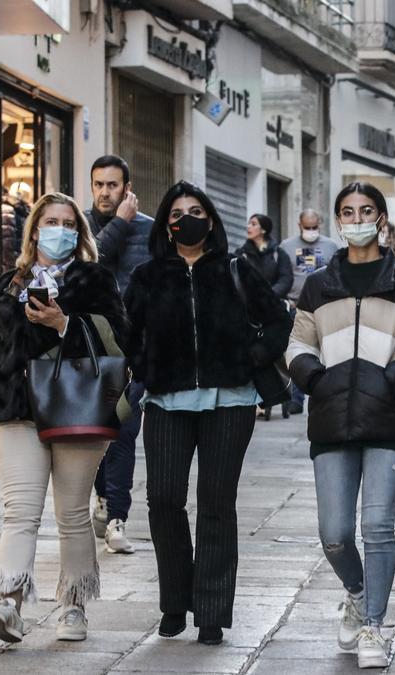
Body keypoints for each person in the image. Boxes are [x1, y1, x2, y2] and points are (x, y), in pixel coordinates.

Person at [124, 181, 290, 647]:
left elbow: (279, 318)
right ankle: (176, 601)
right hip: (166, 403)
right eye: (177, 213)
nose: (187, 219)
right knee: (163, 499)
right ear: (165, 224)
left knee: (217, 505)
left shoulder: (237, 268)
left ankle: (213, 611)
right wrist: (148, 365)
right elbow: (127, 332)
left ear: (212, 220)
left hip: (230, 402)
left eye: (196, 211)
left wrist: (251, 358)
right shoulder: (147, 277)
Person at [287, 182, 395, 669]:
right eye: (347, 212)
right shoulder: (318, 285)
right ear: (337, 221)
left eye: (366, 211)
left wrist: (390, 378)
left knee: (377, 526)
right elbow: (296, 345)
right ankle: (357, 592)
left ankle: (374, 624)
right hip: (332, 418)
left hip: (390, 418)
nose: (356, 219)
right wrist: (317, 379)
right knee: (334, 532)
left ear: (381, 219)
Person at [0, 192, 129, 644]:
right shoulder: (10, 282)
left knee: (73, 514)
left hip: (74, 407)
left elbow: (121, 341)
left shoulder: (95, 279)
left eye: (67, 223)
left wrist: (64, 324)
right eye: (50, 221)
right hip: (17, 409)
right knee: (19, 512)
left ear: (78, 234)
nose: (58, 229)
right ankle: (7, 600)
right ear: (34, 229)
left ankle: (73, 605)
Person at [85, 154, 154, 556]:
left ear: (127, 187)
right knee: (96, 434)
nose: (105, 192)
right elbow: (88, 264)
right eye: (99, 185)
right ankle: (101, 497)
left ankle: (116, 519)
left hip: (132, 351)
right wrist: (121, 222)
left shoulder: (149, 231)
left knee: (125, 431)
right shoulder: (80, 227)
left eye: (113, 185)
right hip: (89, 349)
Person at [279, 209, 341, 416]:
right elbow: (282, 275)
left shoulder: (331, 246)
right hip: (295, 307)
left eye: (314, 227)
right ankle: (296, 399)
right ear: (299, 225)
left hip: (323, 308)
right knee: (297, 354)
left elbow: (338, 276)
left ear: (320, 224)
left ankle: (322, 393)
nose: (311, 231)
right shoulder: (286, 247)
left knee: (324, 354)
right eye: (307, 227)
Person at [240, 213, 293, 420]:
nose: (249, 227)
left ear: (263, 229)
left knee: (277, 354)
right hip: (248, 312)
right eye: (249, 223)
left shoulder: (279, 253)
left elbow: (286, 278)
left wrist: (268, 297)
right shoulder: (241, 254)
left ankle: (281, 392)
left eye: (254, 224)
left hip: (273, 312)